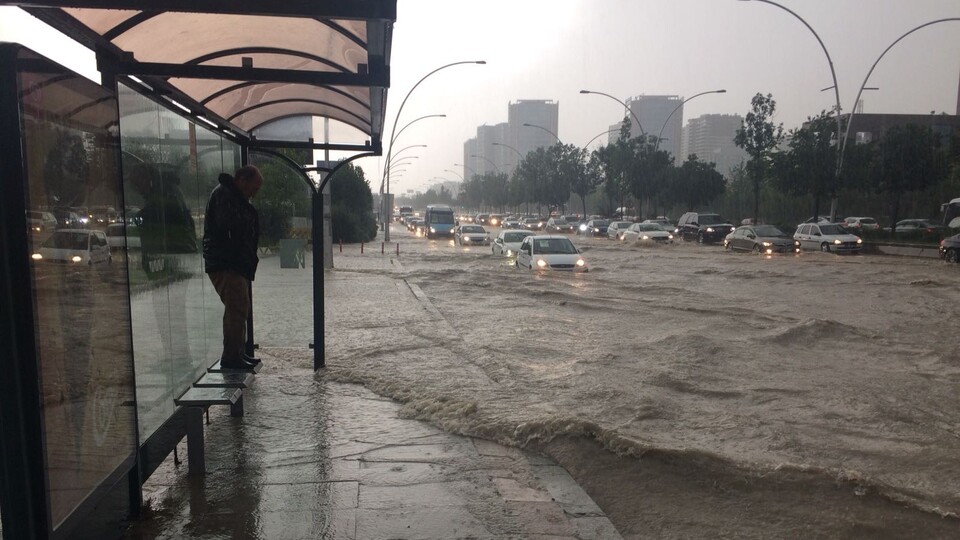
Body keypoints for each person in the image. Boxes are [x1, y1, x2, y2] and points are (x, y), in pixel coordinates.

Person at [203, 165, 263, 369]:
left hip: (235, 264)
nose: (254, 194)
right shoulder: (224, 196)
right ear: (242, 181)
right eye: (253, 188)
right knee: (237, 308)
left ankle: (237, 353)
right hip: (226, 263)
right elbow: (229, 228)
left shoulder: (233, 197)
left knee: (240, 309)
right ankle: (231, 358)